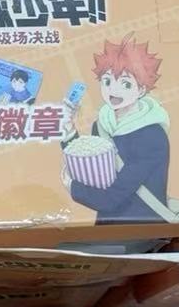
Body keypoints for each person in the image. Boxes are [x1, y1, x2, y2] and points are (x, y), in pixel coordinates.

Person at [61, 33, 169, 224]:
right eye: (107, 81)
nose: (114, 90)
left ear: (141, 89)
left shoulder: (152, 135)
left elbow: (111, 197)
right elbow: (90, 167)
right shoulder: (102, 124)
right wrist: (68, 128)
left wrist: (73, 187)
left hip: (143, 227)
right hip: (107, 224)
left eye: (125, 83)